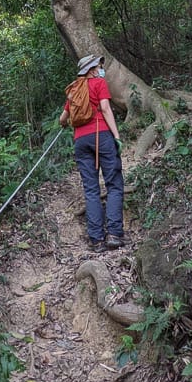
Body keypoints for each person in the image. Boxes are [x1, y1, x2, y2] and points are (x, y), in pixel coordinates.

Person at [59, 54, 125, 252]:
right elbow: (105, 108)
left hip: (80, 141)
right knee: (113, 184)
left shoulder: (74, 89)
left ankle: (96, 240)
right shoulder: (98, 83)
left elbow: (64, 118)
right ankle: (113, 234)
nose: (101, 68)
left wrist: (64, 124)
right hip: (101, 135)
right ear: (92, 69)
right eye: (99, 65)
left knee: (91, 190)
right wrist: (117, 135)